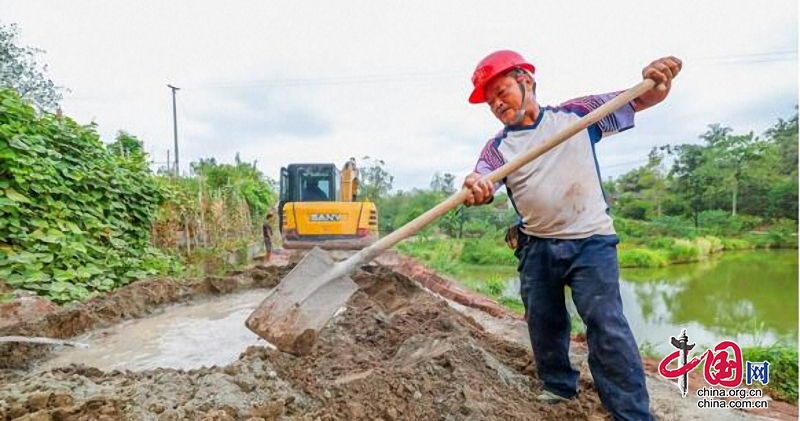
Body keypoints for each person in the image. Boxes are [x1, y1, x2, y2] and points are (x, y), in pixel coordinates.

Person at [462, 50, 681, 421]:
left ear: (526, 81)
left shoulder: (576, 115)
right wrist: (475, 187)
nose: (498, 103)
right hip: (536, 245)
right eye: (490, 100)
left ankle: (630, 412)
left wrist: (656, 80)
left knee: (606, 324)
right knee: (543, 321)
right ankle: (559, 387)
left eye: (502, 91)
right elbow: (480, 181)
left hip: (591, 242)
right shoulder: (498, 148)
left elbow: (641, 97)